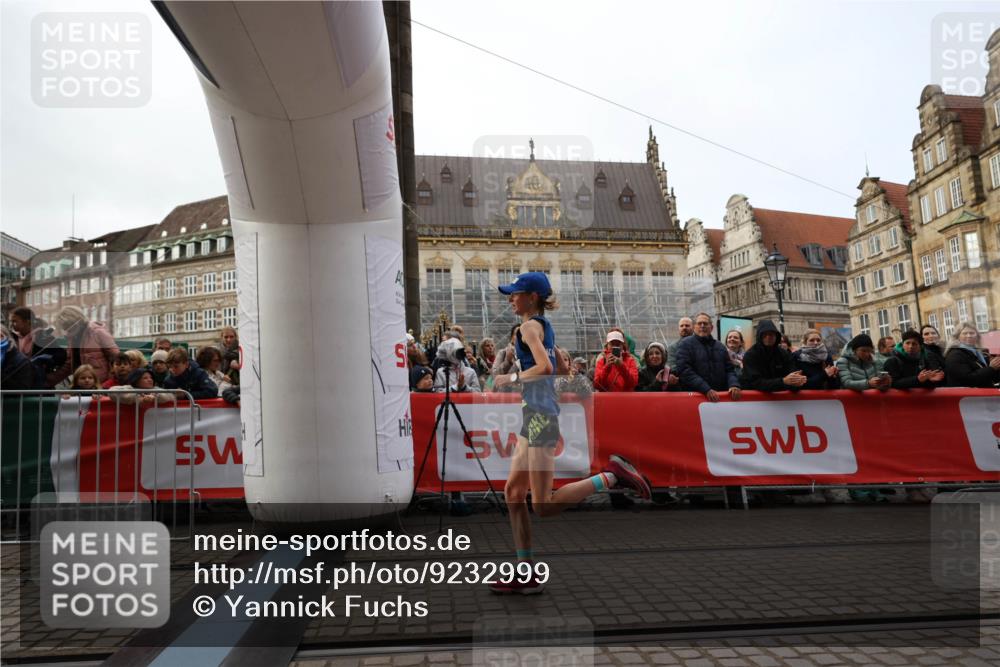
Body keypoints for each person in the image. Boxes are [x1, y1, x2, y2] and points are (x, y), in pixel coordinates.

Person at [491, 271, 651, 595]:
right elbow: (561, 369)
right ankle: (526, 574)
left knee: (543, 505)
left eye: (515, 293)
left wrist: (508, 380)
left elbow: (547, 369)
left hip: (539, 418)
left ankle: (610, 477)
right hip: (534, 417)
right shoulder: (544, 327)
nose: (511, 298)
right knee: (512, 494)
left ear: (532, 297)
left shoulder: (528, 327)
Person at [674, 313, 741, 402]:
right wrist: (705, 389)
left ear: (711, 328)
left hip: (720, 398)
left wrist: (734, 384)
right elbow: (684, 370)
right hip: (696, 399)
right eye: (699, 323)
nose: (702, 326)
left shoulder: (720, 346)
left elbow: (729, 370)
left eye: (705, 324)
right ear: (694, 327)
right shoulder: (685, 344)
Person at [51, 305, 119, 385]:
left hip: (101, 385)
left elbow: (116, 358)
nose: (67, 330)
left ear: (77, 321)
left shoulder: (97, 332)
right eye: (65, 327)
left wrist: (109, 383)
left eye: (68, 325)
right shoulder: (73, 339)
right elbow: (69, 365)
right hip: (83, 386)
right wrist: (48, 381)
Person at [740, 319, 806, 392]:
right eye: (765, 335)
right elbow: (756, 382)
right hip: (755, 400)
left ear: (776, 336)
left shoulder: (784, 354)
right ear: (759, 337)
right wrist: (783, 381)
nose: (768, 337)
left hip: (782, 398)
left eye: (771, 334)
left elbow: (792, 372)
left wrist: (797, 381)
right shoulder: (750, 355)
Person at [945, 323, 1000, 388]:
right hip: (969, 396)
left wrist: (997, 366)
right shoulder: (955, 355)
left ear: (977, 336)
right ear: (958, 337)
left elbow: (990, 376)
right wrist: (991, 368)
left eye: (972, 333)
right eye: (965, 333)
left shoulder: (978, 352)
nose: (969, 336)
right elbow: (967, 379)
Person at [491, 325, 522, 393]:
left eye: (522, 334)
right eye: (517, 334)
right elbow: (494, 375)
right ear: (511, 338)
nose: (520, 337)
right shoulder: (503, 353)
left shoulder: (530, 355)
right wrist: (507, 362)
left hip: (523, 397)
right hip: (505, 397)